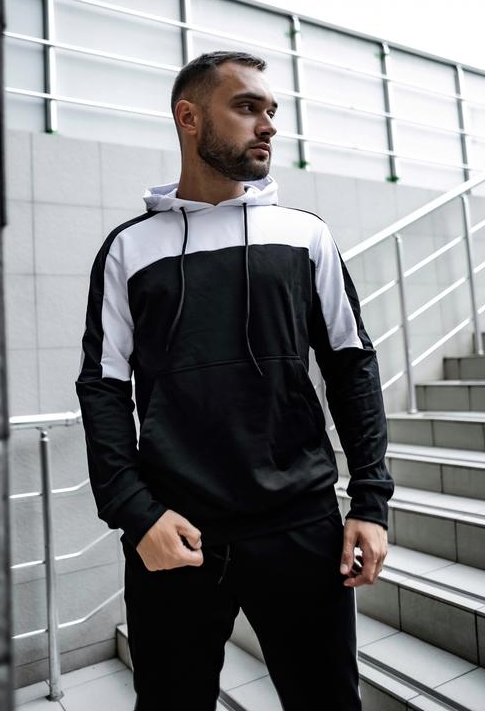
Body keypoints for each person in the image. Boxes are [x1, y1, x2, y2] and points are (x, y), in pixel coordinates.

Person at [75, 50, 395, 710]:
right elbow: (102, 387)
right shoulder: (129, 249)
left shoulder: (305, 236)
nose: (268, 125)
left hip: (301, 525)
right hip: (176, 531)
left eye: (271, 110)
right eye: (247, 107)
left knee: (328, 703)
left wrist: (370, 502)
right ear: (189, 117)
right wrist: (136, 514)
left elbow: (350, 365)